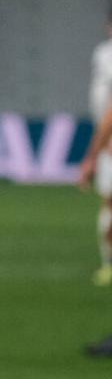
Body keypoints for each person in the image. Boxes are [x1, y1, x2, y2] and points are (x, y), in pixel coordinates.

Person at [80, 15, 112, 285]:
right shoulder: (103, 53)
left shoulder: (105, 55)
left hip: (109, 144)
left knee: (109, 204)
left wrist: (91, 157)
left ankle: (108, 264)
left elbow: (109, 114)